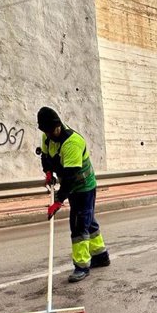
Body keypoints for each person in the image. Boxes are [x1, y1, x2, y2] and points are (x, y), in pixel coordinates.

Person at [37, 106, 110, 283]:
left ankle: (82, 266)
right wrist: (48, 172)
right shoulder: (46, 136)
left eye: (52, 130)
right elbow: (45, 157)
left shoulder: (72, 143)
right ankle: (100, 256)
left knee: (78, 225)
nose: (50, 133)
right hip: (70, 183)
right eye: (46, 131)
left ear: (58, 125)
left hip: (83, 187)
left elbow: (70, 178)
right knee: (88, 220)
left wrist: (58, 201)